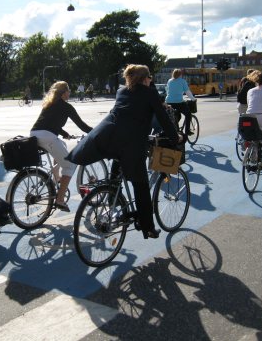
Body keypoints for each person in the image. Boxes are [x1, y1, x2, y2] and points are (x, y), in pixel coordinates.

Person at [67, 64, 179, 239]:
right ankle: (147, 226)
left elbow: (119, 115)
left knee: (117, 173)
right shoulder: (149, 92)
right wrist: (175, 137)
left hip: (112, 141)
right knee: (140, 186)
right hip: (132, 146)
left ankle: (113, 199)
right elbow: (163, 119)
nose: (151, 80)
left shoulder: (122, 91)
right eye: (149, 77)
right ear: (144, 79)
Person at [30, 81, 92, 211]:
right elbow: (82, 126)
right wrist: (97, 132)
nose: (69, 93)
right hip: (47, 136)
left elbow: (50, 124)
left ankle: (56, 175)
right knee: (70, 165)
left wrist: (65, 134)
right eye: (68, 90)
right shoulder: (67, 107)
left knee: (62, 144)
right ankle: (60, 199)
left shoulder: (49, 104)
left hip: (35, 134)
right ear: (64, 93)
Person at [165, 68, 196, 136]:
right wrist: (193, 99)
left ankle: (175, 128)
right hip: (179, 102)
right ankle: (187, 131)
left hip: (168, 102)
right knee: (188, 114)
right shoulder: (182, 81)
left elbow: (167, 90)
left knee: (177, 115)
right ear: (180, 75)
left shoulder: (169, 81)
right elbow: (187, 92)